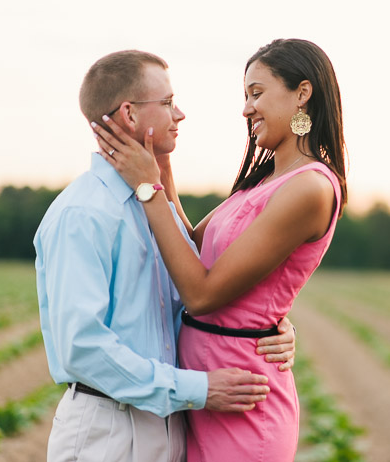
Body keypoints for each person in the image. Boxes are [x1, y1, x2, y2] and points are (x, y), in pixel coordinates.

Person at [34, 50, 297, 462]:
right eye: (169, 103)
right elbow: (81, 347)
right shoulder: (82, 213)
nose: (181, 114)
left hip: (172, 427)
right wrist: (200, 389)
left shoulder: (153, 208)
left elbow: (190, 303)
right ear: (130, 115)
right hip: (108, 432)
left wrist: (269, 328)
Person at [93, 38, 347, 462]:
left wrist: (147, 187)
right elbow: (191, 246)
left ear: (302, 93)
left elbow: (202, 293)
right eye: (246, 96)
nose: (246, 108)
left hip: (243, 402)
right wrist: (162, 169)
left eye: (257, 93)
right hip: (204, 392)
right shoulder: (263, 181)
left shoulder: (310, 188)